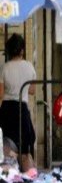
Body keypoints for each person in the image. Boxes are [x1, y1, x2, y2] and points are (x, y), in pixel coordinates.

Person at [0, 34, 37, 171]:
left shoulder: (5, 68)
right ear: (22, 50)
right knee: (25, 147)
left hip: (7, 110)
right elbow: (32, 90)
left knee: (6, 146)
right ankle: (27, 176)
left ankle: (9, 176)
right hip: (22, 109)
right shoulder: (29, 67)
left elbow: (1, 94)